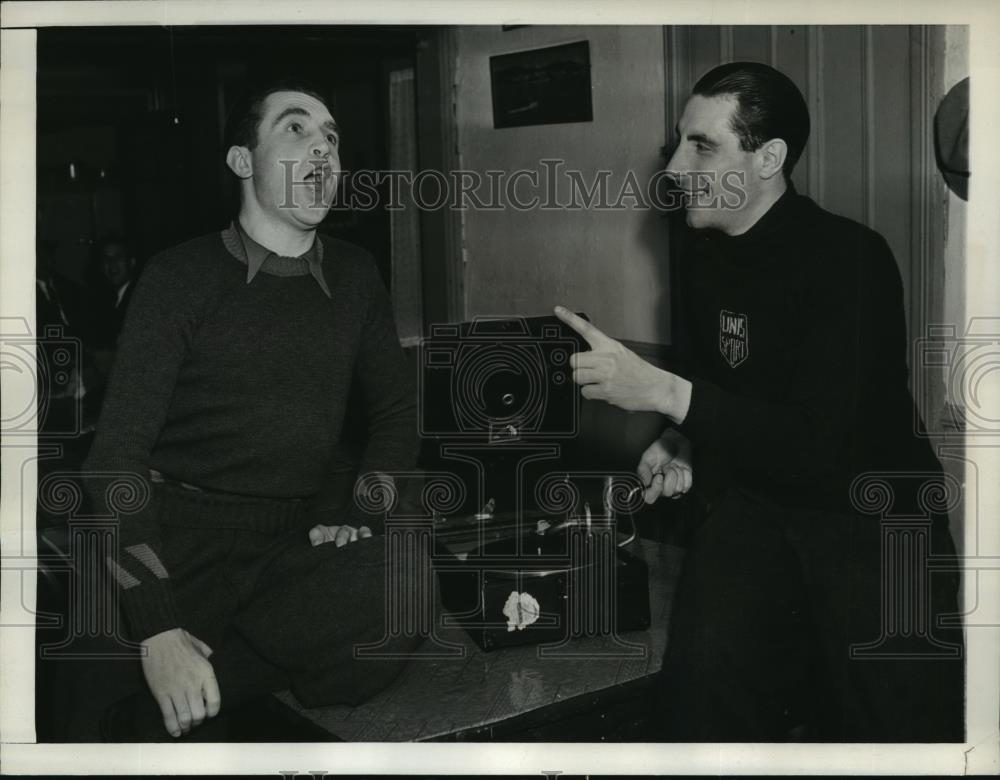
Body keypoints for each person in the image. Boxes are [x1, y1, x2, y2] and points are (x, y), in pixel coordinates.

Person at [555, 62, 963, 742]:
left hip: (876, 527)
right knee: (699, 704)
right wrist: (682, 439)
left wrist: (665, 394)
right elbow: (721, 387)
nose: (677, 167)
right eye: (678, 144)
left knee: (895, 738)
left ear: (769, 158)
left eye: (703, 146)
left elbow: (824, 446)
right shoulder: (698, 251)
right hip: (758, 506)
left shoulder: (850, 259)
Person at [84, 80, 423, 741]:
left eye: (332, 136)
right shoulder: (177, 277)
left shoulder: (356, 274)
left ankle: (208, 689)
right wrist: (156, 629)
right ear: (243, 161)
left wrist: (361, 511)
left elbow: (394, 412)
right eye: (296, 130)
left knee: (407, 580)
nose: (323, 145)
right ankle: (185, 678)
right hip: (184, 546)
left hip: (292, 542)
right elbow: (112, 464)